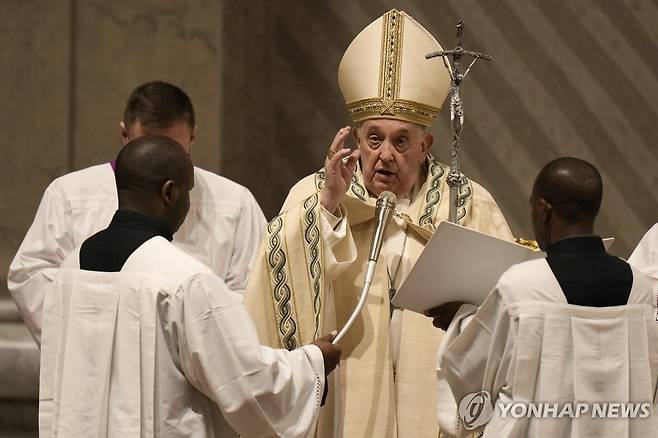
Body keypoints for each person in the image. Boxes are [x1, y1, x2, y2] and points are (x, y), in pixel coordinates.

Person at [243, 9, 513, 438]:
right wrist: (329, 208)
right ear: (354, 138)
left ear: (425, 146)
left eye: (400, 141)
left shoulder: (466, 203)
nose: (385, 154)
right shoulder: (316, 196)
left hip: (430, 403)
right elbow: (278, 274)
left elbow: (508, 301)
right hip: (345, 404)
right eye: (374, 138)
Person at [39, 135, 342, 438]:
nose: (189, 203)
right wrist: (311, 361)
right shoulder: (183, 279)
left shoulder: (69, 268)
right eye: (189, 192)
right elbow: (246, 382)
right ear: (169, 192)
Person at [8, 81, 266, 345]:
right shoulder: (70, 195)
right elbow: (31, 275)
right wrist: (94, 337)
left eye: (173, 149)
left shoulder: (235, 203)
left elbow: (254, 291)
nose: (160, 162)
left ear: (193, 137)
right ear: (124, 135)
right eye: (147, 146)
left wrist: (188, 338)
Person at [437, 157, 658, 437]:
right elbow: (645, 378)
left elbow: (468, 373)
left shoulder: (522, 287)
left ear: (543, 210)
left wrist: (463, 317)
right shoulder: (639, 289)